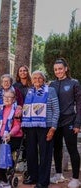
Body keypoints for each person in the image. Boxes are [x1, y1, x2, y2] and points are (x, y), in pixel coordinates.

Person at [22, 70, 59, 188]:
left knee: (45, 154)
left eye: (39, 78)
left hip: (45, 126)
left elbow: (56, 110)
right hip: (31, 127)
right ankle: (33, 177)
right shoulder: (29, 92)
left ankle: (43, 181)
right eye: (34, 78)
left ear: (44, 79)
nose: (37, 80)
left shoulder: (50, 90)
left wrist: (53, 128)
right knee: (31, 153)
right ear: (31, 80)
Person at [49, 58, 81, 188]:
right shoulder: (52, 85)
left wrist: (78, 123)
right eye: (56, 69)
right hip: (56, 122)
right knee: (57, 149)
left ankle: (75, 178)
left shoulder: (74, 83)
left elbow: (79, 105)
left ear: (66, 69)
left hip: (70, 121)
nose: (58, 71)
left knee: (72, 148)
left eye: (60, 69)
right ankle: (58, 174)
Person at [13, 65, 32, 172]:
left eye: (25, 70)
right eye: (20, 71)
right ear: (18, 73)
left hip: (31, 117)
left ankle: (26, 162)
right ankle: (18, 161)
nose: (23, 72)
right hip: (19, 117)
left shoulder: (32, 85)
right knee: (19, 139)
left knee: (28, 140)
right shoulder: (15, 86)